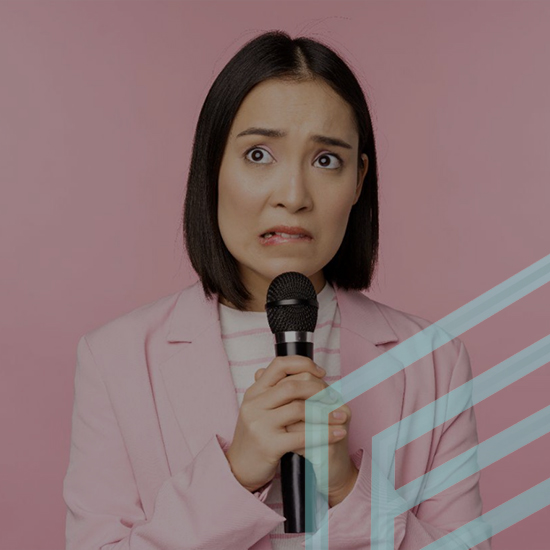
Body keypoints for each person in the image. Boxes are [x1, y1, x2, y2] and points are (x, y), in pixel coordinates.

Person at [63, 30, 492, 550]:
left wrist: (347, 487)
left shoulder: (434, 363)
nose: (292, 196)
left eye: (326, 160)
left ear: (359, 180)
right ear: (213, 165)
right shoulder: (116, 361)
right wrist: (235, 474)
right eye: (259, 155)